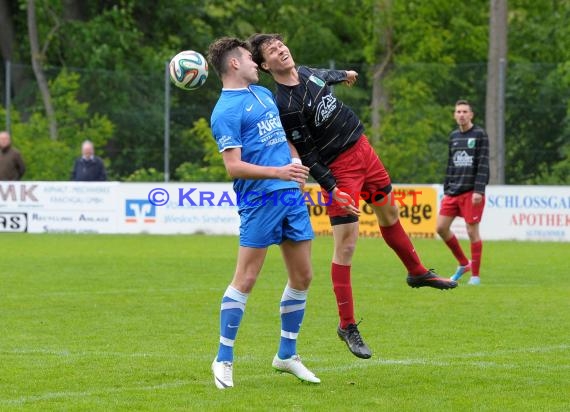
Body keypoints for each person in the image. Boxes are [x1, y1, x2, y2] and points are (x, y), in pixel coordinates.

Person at [248, 33, 457, 361]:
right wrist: (332, 188)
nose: (280, 50)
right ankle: (347, 325)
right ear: (264, 65)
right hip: (340, 170)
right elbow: (309, 156)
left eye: (281, 45)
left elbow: (323, 76)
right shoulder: (285, 106)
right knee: (345, 246)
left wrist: (343, 75)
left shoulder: (305, 72)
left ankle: (416, 272)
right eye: (272, 51)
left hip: (363, 150)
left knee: (389, 215)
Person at [207, 37, 320, 389]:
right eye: (249, 58)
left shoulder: (264, 95)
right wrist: (279, 173)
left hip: (288, 196)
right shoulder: (225, 111)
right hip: (259, 201)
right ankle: (223, 359)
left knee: (303, 277)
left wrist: (296, 164)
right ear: (234, 65)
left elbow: (282, 138)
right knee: (247, 279)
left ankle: (286, 355)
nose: (257, 63)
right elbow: (234, 167)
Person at [436, 100, 490, 285]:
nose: (461, 114)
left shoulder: (480, 134)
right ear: (454, 115)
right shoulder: (453, 136)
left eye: (465, 111)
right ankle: (463, 263)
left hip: (471, 192)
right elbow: (450, 164)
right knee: (441, 228)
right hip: (453, 192)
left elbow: (483, 164)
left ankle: (475, 276)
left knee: (471, 231)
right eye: (458, 111)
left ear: (471, 115)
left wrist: (479, 190)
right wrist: (446, 189)